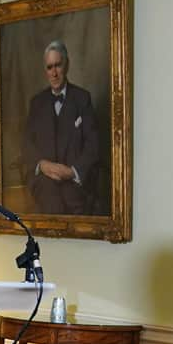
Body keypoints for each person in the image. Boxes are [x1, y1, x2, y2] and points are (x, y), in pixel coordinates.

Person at [24, 40, 100, 214]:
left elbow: (93, 144)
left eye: (58, 65)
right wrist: (43, 165)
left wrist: (73, 172)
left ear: (67, 65)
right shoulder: (37, 103)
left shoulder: (82, 98)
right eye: (49, 67)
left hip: (74, 180)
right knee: (52, 201)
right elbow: (26, 143)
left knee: (73, 202)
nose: (54, 73)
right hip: (44, 179)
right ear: (45, 70)